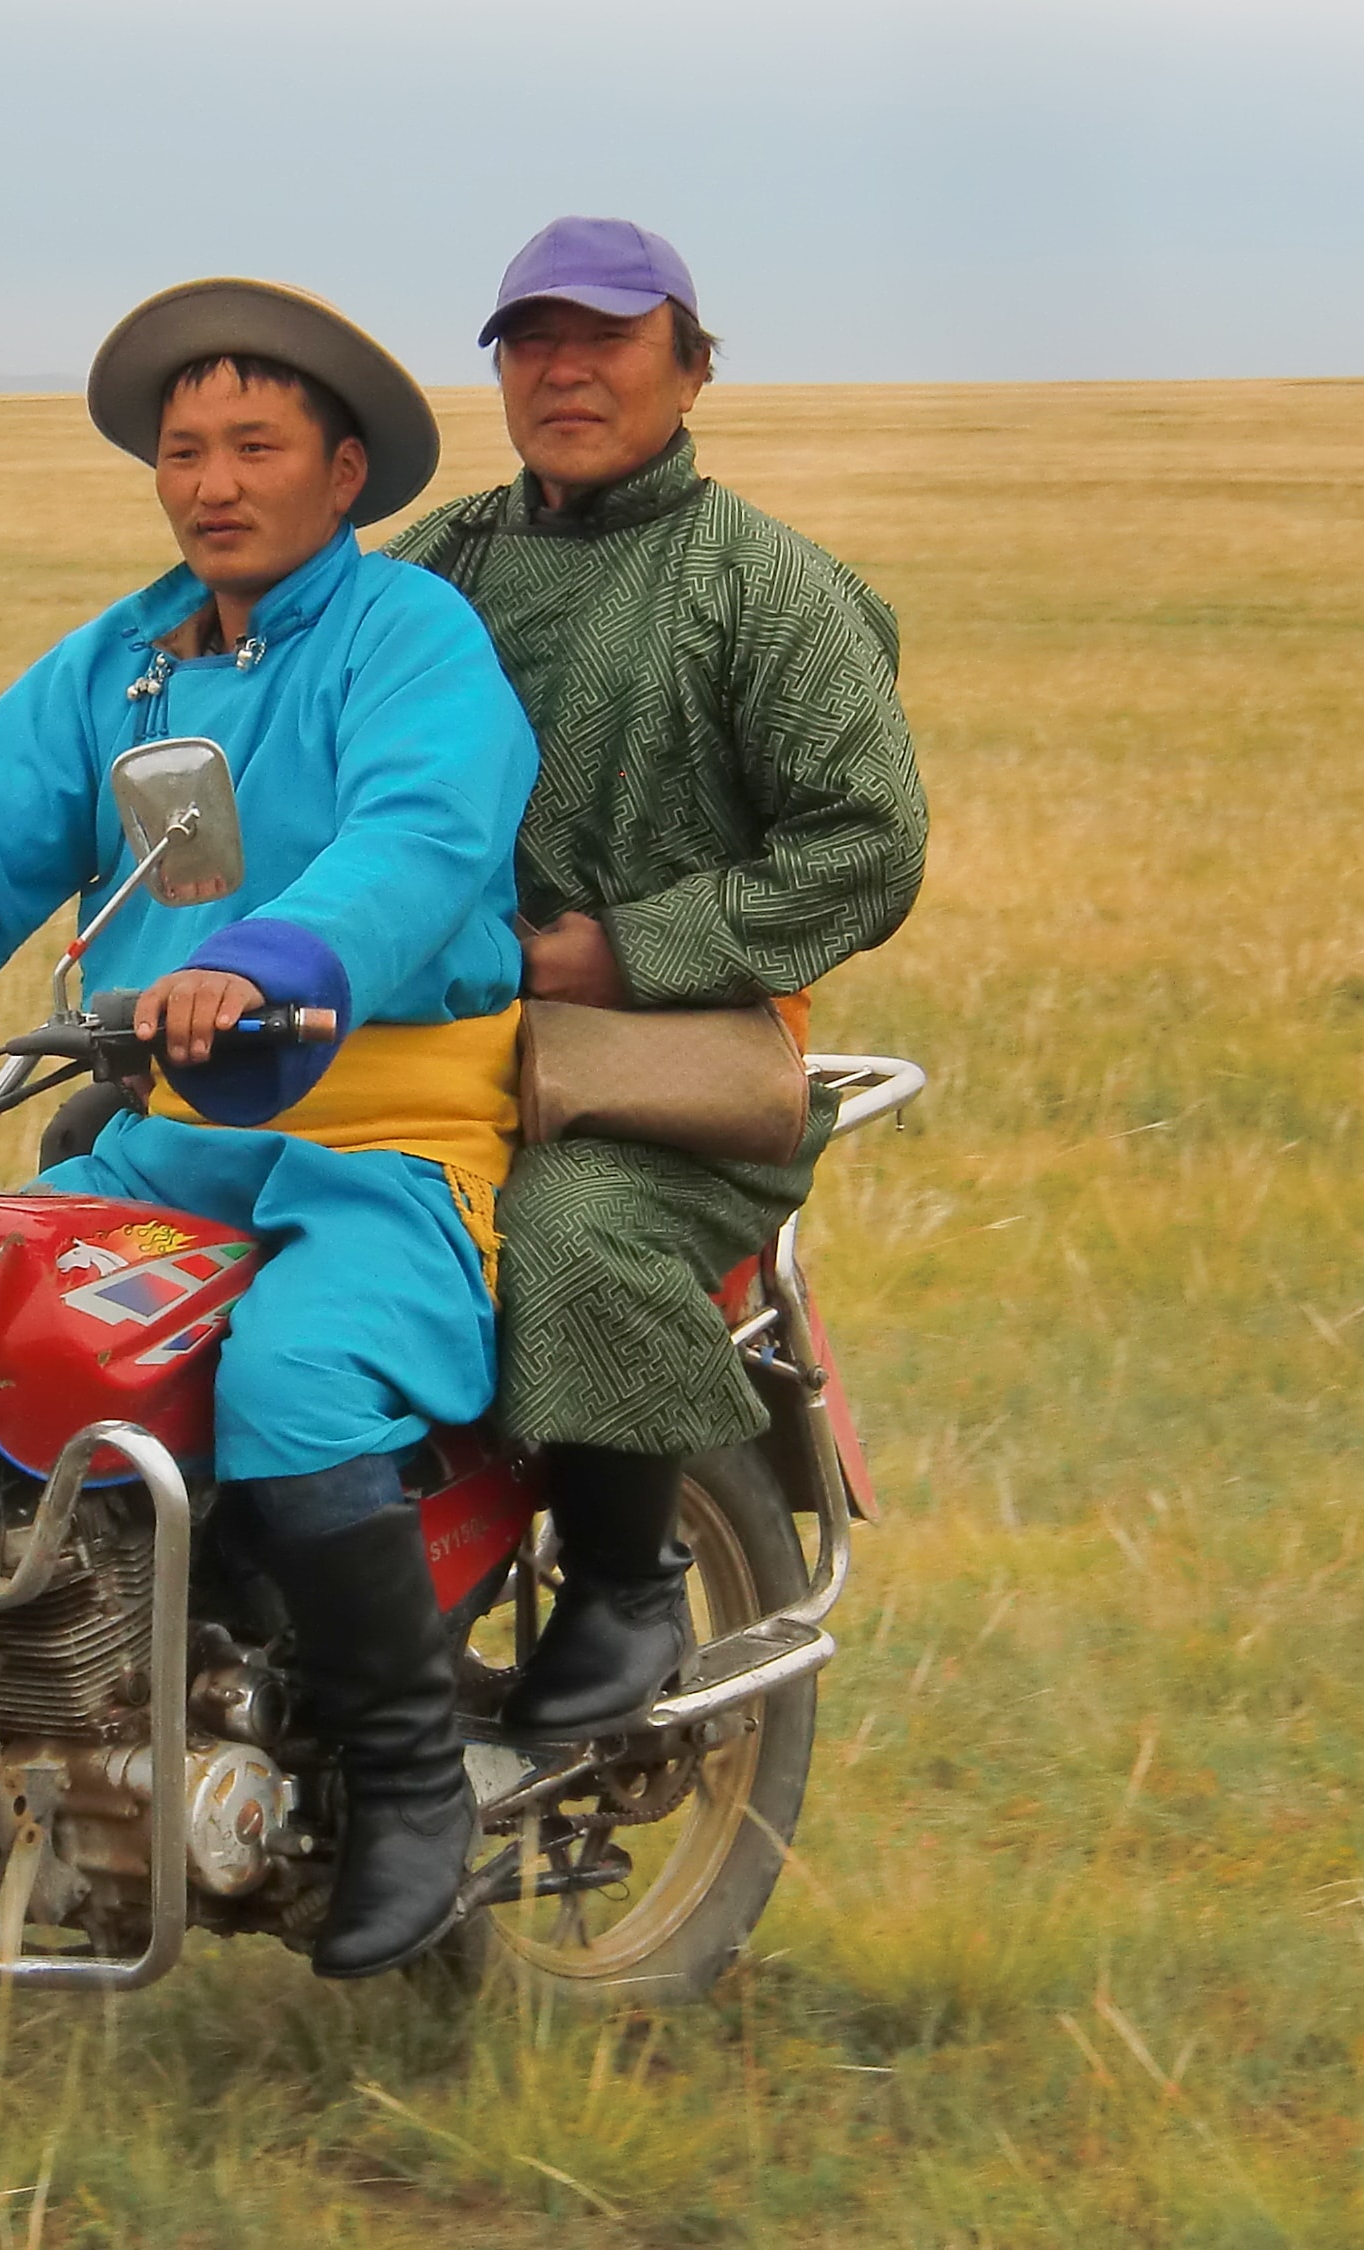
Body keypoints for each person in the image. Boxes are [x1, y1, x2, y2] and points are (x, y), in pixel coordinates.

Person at [0, 279, 538, 1978]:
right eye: (184, 451)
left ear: (345, 467)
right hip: (169, 1126)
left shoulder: (413, 642)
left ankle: (408, 1784)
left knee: (295, 1380)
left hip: (383, 1126)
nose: (213, 481)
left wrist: (274, 957)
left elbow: (423, 831)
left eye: (255, 445)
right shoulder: (121, 665)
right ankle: (51, 1713)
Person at [382, 218, 929, 1738]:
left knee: (568, 1226)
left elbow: (868, 845)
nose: (566, 368)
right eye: (531, 340)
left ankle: (628, 1578)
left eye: (609, 337)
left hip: (659, 1083)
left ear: (691, 369)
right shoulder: (426, 571)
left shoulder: (770, 586)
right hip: (427, 1048)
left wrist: (622, 949)